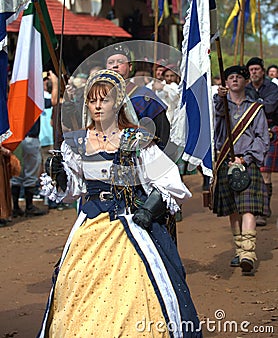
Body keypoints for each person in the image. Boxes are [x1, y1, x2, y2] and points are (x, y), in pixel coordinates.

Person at [38, 69, 202, 337]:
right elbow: (72, 191)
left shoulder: (137, 140)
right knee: (77, 287)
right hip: (89, 230)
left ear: (118, 103)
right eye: (93, 101)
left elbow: (171, 183)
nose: (98, 106)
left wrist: (150, 209)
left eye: (105, 99)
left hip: (131, 225)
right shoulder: (76, 144)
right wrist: (59, 176)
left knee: (136, 290)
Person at [213, 65, 270, 274]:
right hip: (225, 162)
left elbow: (262, 138)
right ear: (226, 83)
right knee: (233, 210)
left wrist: (245, 159)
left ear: (246, 81)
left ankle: (248, 253)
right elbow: (216, 117)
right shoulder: (220, 106)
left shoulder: (256, 108)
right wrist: (220, 98)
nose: (234, 79)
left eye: (239, 77)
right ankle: (238, 251)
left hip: (247, 163)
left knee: (248, 208)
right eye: (230, 77)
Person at [106, 44, 171, 150]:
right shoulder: (100, 97)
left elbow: (162, 131)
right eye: (111, 62)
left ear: (130, 67)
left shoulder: (145, 96)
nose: (115, 66)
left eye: (120, 62)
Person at [11, 70, 58, 217]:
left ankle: (16, 207)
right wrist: (55, 83)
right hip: (29, 139)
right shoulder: (32, 98)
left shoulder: (15, 97)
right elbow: (54, 101)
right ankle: (29, 206)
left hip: (17, 139)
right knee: (30, 174)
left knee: (17, 174)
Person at [245, 57, 278, 226]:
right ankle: (255, 207)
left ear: (262, 71)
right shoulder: (246, 88)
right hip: (251, 133)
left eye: (257, 69)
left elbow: (271, 107)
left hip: (271, 131)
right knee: (253, 170)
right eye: (251, 70)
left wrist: (253, 105)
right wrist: (260, 104)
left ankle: (263, 211)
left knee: (265, 172)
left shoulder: (272, 88)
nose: (254, 72)